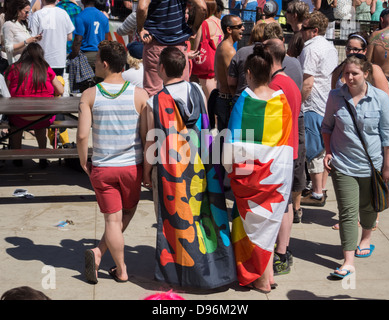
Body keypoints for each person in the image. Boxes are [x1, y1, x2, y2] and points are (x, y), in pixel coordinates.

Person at [144, 46, 236, 289]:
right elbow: (206, 123)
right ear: (185, 67)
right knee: (204, 216)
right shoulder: (196, 89)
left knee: (175, 221)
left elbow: (151, 141)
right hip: (202, 166)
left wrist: (145, 172)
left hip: (172, 173)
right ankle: (213, 268)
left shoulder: (154, 101)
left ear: (161, 68)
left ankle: (181, 273)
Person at [77, 40, 149, 284]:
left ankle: (107, 258)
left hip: (103, 167)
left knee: (112, 219)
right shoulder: (140, 95)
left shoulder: (89, 95)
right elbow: (146, 137)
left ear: (105, 64)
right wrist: (146, 169)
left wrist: (83, 161)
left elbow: (82, 135)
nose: (95, 62)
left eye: (97, 59)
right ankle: (116, 267)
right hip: (131, 167)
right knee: (125, 214)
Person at [224, 43, 293, 293]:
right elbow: (284, 143)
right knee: (268, 226)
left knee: (248, 227)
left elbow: (232, 144)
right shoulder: (282, 101)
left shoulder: (244, 100)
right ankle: (269, 273)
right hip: (276, 177)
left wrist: (230, 169)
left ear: (249, 74)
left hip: (249, 179)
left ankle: (261, 279)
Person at [322, 55, 389, 278]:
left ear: (366, 74)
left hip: (372, 164)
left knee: (368, 207)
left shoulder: (380, 98)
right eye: (346, 73)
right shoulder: (335, 96)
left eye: (354, 73)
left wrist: (388, 166)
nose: (350, 77)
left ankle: (366, 237)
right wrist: (328, 151)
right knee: (347, 212)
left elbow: (388, 134)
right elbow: (327, 127)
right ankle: (348, 261)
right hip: (343, 164)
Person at [264, 38, 302, 275]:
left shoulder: (276, 86)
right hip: (290, 150)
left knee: (281, 205)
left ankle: (281, 253)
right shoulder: (289, 81)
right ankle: (282, 251)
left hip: (281, 152)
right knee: (285, 203)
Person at [298, 10, 338, 207]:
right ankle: (320, 189)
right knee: (322, 150)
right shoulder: (329, 46)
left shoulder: (311, 49)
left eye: (304, 28)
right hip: (326, 103)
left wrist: (299, 102)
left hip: (313, 104)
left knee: (313, 150)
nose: (300, 31)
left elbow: (308, 82)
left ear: (314, 30)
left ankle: (315, 193)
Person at [4, 43, 64, 168]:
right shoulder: (45, 68)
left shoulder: (13, 68)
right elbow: (60, 91)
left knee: (15, 127)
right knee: (40, 126)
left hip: (18, 116)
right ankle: (42, 156)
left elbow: (6, 92)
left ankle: (17, 157)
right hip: (43, 116)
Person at [136, 0, 207, 97]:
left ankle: (156, 112)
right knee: (182, 90)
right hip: (179, 46)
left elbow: (142, 7)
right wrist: (195, 28)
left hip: (155, 44)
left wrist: (140, 29)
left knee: (153, 92)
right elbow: (202, 7)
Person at [367, 8, 389, 186]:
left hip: (382, 83)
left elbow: (368, 63)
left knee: (380, 127)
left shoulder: (376, 36)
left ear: (382, 19)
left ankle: (380, 166)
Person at [214, 14, 244, 133]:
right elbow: (231, 82)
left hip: (224, 100)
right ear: (229, 30)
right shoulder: (229, 50)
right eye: (239, 26)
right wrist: (236, 104)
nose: (243, 28)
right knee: (228, 143)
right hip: (227, 102)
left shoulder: (224, 46)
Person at [29, 0, 75, 77]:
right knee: (58, 86)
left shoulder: (37, 14)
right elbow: (70, 37)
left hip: (42, 59)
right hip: (59, 59)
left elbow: (32, 38)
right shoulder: (63, 13)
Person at [192, 0, 223, 101]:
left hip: (206, 65)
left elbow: (196, 46)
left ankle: (209, 117)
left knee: (209, 97)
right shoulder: (219, 21)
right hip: (217, 60)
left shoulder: (204, 23)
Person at [69, 0, 109, 71]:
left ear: (82, 1)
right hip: (100, 55)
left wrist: (73, 57)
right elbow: (106, 40)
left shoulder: (81, 16)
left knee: (79, 81)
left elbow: (78, 40)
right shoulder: (104, 17)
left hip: (86, 56)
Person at [2, 0, 42, 65]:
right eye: (26, 12)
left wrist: (34, 39)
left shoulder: (23, 25)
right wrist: (26, 41)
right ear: (18, 10)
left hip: (27, 63)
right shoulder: (8, 25)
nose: (28, 15)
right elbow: (8, 48)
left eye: (28, 12)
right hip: (17, 65)